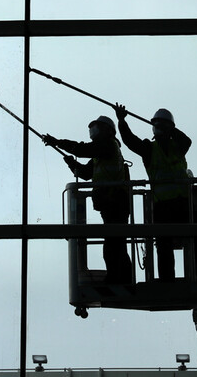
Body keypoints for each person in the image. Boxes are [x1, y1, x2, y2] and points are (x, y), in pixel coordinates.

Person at [114, 104, 197, 282]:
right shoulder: (149, 149)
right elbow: (130, 141)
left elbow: (187, 141)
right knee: (164, 245)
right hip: (163, 205)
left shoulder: (178, 146)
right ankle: (167, 280)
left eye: (161, 125)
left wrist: (171, 130)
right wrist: (122, 121)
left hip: (182, 203)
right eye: (157, 125)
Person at [43, 116, 134, 284]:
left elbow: (81, 149)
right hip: (111, 202)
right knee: (115, 243)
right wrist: (71, 164)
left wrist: (57, 142)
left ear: (107, 130)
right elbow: (85, 174)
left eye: (97, 128)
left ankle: (118, 278)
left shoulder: (108, 146)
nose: (93, 132)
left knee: (114, 244)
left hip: (115, 202)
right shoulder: (102, 153)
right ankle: (121, 277)